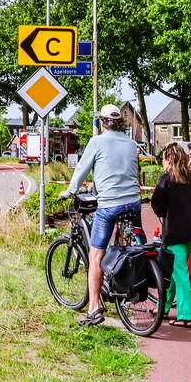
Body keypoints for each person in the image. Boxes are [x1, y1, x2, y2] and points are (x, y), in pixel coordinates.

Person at [59, 104, 141, 326]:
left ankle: (93, 308)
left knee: (96, 255)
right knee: (127, 247)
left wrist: (70, 191)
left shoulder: (97, 142)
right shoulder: (131, 143)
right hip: (133, 202)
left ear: (101, 122)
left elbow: (82, 170)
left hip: (109, 205)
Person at [151, 143, 191, 327]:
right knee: (175, 272)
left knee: (180, 273)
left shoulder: (166, 179)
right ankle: (163, 307)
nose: (162, 162)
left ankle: (185, 315)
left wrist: (165, 209)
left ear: (168, 159)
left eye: (163, 159)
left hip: (174, 234)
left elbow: (157, 205)